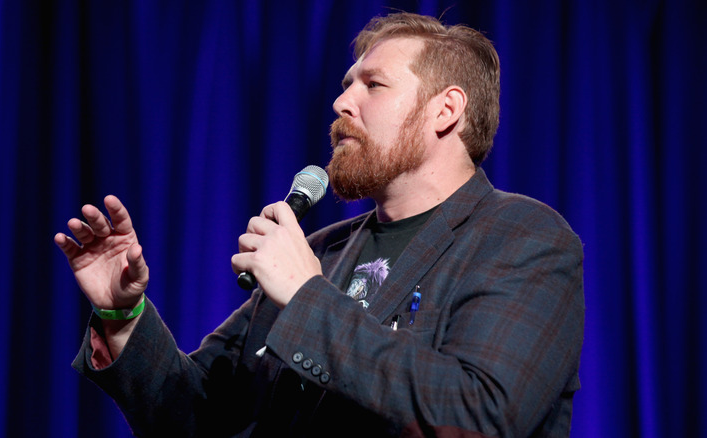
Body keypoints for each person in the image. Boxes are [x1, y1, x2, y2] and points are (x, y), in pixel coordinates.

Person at [55, 12, 584, 437]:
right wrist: (123, 316)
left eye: (373, 85)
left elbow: (481, 418)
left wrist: (308, 296)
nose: (340, 103)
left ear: (445, 110)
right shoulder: (322, 251)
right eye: (346, 85)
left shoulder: (522, 237)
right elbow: (199, 416)